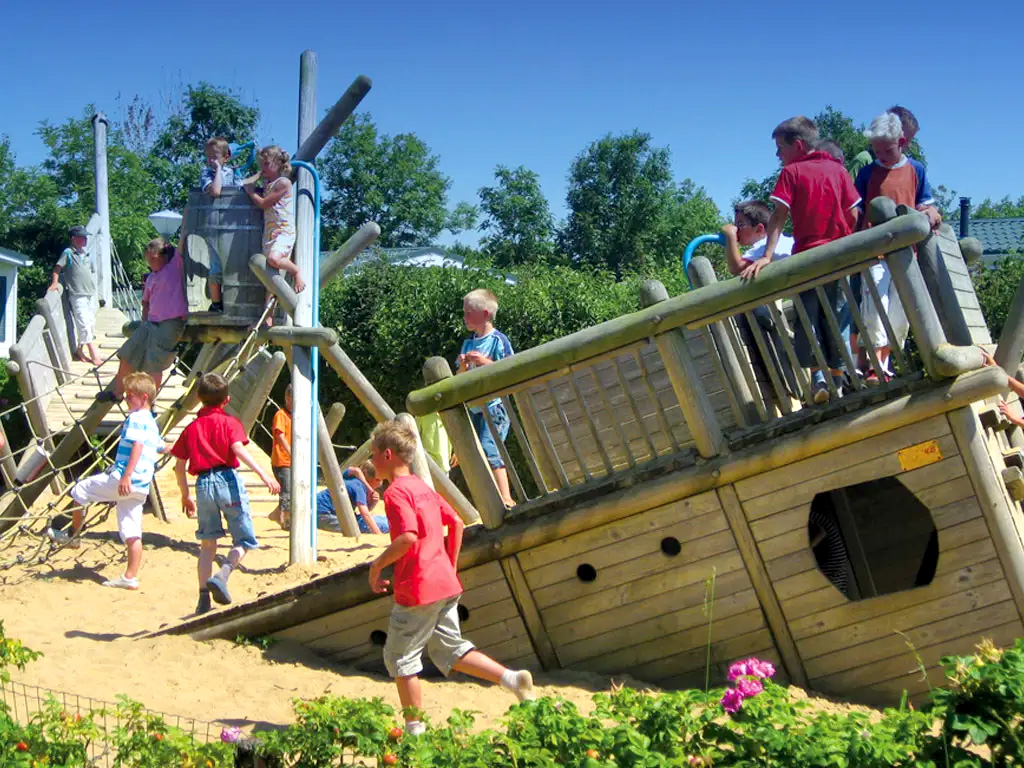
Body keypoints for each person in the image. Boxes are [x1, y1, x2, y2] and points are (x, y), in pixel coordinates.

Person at [367, 419, 535, 735]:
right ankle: (512, 679)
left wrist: (376, 566)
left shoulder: (396, 493)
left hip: (417, 586)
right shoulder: (422, 487)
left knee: (400, 658)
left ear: (388, 455)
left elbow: (408, 537)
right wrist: (449, 563)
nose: (371, 460)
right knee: (449, 649)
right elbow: (456, 522)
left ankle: (415, 732)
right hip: (444, 582)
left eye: (374, 454)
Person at [741, 116, 861, 405]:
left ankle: (819, 381)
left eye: (780, 148)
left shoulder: (792, 173)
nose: (778, 155)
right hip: (839, 258)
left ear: (797, 145)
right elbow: (854, 214)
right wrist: (846, 242)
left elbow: (779, 217)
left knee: (810, 321)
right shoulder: (838, 170)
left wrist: (767, 256)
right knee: (837, 320)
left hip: (807, 259)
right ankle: (838, 383)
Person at [171, 373, 280, 614]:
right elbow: (238, 449)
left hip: (202, 485)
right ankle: (224, 573)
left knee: (207, 544)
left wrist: (185, 495)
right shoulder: (230, 423)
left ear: (198, 398)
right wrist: (264, 475)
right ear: (227, 400)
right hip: (227, 481)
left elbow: (179, 465)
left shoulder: (191, 428)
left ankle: (202, 599)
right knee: (244, 540)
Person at [51, 373, 164, 589]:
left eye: (130, 396)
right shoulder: (151, 422)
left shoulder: (136, 418)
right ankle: (130, 577)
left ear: (143, 397)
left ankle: (73, 536)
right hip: (141, 486)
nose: (126, 399)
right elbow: (159, 446)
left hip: (125, 478)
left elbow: (138, 446)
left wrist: (126, 475)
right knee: (132, 530)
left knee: (80, 490)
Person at [853, 112, 937, 383]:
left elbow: (926, 202)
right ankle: (875, 366)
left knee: (901, 309)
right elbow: (857, 211)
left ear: (901, 141)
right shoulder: (867, 173)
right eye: (877, 150)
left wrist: (930, 213)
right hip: (875, 252)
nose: (881, 155)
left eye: (887, 149)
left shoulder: (916, 169)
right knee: (876, 306)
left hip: (905, 252)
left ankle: (884, 364)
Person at [722, 201, 797, 409]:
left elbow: (736, 268)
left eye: (740, 225)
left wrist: (729, 237)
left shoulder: (762, 247)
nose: (737, 231)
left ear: (760, 229)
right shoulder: (785, 240)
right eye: (734, 226)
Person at [97, 238, 187, 403]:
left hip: (170, 323)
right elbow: (145, 301)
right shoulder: (152, 277)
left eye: (153, 258)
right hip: (150, 323)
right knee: (127, 353)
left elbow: (182, 243)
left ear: (164, 256)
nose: (150, 262)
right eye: (148, 259)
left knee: (154, 365)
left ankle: (149, 404)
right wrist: (144, 319)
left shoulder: (174, 267)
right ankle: (117, 393)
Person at [456, 289, 515, 506]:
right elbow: (459, 377)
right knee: (477, 453)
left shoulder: (498, 340)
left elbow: (511, 369)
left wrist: (484, 362)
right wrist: (463, 366)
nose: (465, 317)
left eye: (468, 312)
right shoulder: (467, 344)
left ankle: (506, 498)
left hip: (495, 406)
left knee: (490, 449)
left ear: (485, 313)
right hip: (474, 408)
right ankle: (492, 499)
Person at [244, 146, 304, 326]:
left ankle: (296, 271)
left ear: (278, 164)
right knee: (270, 276)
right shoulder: (268, 183)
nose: (262, 167)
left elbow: (263, 203)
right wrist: (256, 177)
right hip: (270, 232)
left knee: (273, 259)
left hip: (284, 230)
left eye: (266, 164)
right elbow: (246, 182)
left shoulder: (283, 183)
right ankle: (267, 316)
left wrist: (250, 191)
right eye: (260, 164)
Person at [49, 225, 102, 366]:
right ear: (73, 239)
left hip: (89, 293)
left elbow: (89, 272)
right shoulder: (68, 253)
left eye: (86, 237)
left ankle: (79, 350)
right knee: (83, 323)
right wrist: (55, 283)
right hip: (77, 294)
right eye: (82, 237)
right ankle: (93, 353)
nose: (85, 239)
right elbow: (57, 269)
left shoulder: (86, 253)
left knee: (90, 323)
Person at [200, 137, 238, 313]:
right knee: (216, 265)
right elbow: (215, 191)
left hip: (233, 227)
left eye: (214, 156)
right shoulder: (207, 174)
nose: (210, 160)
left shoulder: (233, 172)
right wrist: (217, 171)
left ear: (226, 157)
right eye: (208, 157)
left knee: (233, 265)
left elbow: (241, 190)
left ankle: (233, 301)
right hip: (215, 226)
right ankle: (216, 303)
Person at [316, 462, 388, 535]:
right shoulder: (359, 486)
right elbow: (365, 514)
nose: (380, 483)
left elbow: (356, 470)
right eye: (378, 480)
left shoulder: (349, 476)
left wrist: (373, 502)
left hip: (318, 509)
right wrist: (378, 533)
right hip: (324, 514)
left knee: (385, 520)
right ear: (371, 478)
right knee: (361, 525)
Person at [268, 385, 292, 530]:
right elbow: (279, 435)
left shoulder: (296, 415)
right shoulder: (281, 415)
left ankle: (276, 515)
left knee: (292, 490)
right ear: (287, 398)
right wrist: (290, 452)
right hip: (282, 460)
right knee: (287, 491)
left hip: (291, 460)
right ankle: (286, 520)